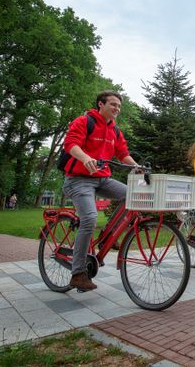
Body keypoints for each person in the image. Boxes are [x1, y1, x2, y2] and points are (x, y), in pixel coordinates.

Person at [61, 90, 138, 292]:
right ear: (100, 105)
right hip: (78, 180)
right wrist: (85, 158)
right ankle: (78, 273)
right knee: (89, 219)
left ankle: (109, 235)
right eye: (113, 104)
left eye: (119, 106)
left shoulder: (115, 130)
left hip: (102, 178)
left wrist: (137, 167)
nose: (116, 109)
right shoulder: (84, 121)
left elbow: (123, 154)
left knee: (133, 195)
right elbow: (70, 144)